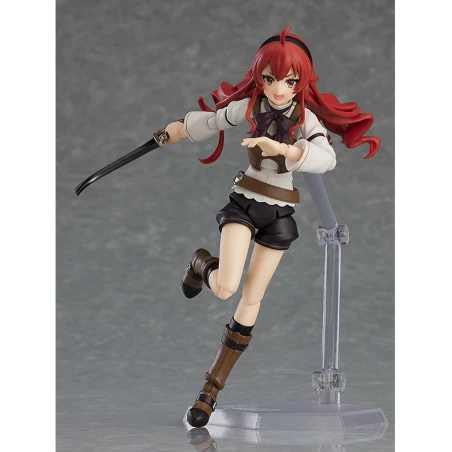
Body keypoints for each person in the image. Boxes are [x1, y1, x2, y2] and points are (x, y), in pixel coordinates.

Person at [164, 26, 380, 428]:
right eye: (270, 79)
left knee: (251, 300)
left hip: (279, 214)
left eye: (290, 81)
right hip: (246, 203)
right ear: (258, 77)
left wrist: (284, 149)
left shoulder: (306, 118)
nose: (279, 89)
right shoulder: (249, 108)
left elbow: (327, 159)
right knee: (225, 288)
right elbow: (210, 122)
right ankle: (201, 263)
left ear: (301, 82)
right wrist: (169, 133)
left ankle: (210, 391)